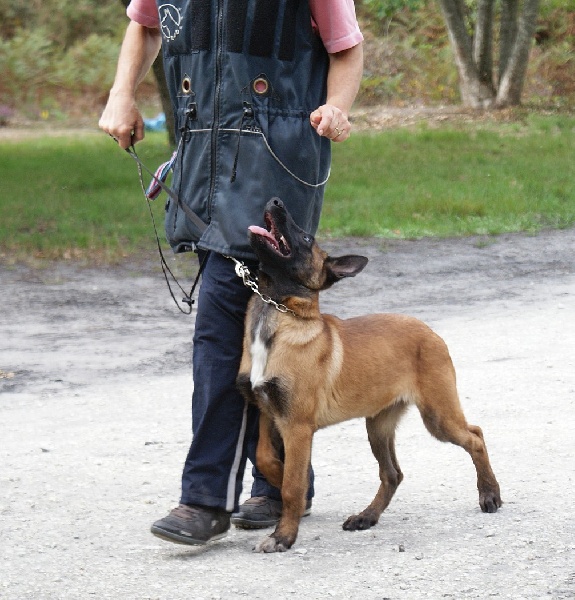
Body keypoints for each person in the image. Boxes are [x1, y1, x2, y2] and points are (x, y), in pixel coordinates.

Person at [100, 0, 363, 546]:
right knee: (246, 332)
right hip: (204, 161)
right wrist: (121, 94)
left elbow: (346, 48)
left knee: (224, 334)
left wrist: (338, 106)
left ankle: (205, 499)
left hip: (279, 161)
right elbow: (144, 26)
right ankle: (280, 485)